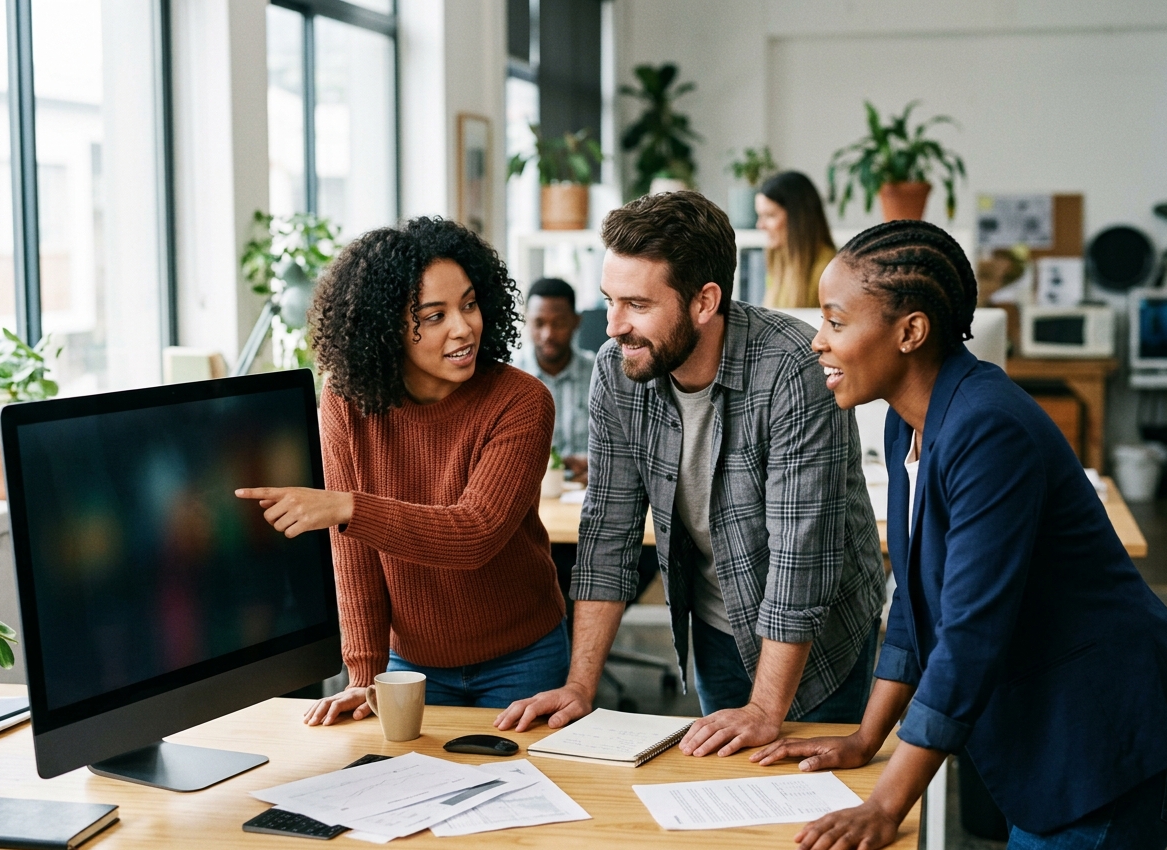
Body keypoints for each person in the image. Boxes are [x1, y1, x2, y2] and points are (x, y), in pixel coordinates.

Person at [760, 220, 1167, 850]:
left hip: (1104, 733)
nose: (819, 340)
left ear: (910, 332)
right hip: (1058, 727)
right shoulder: (908, 422)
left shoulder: (988, 427)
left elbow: (969, 637)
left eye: (835, 320)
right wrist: (867, 738)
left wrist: (887, 803)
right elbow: (917, 602)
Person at [496, 191, 886, 758]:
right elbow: (609, 535)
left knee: (801, 818)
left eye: (636, 304)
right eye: (608, 301)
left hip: (817, 643)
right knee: (723, 808)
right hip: (715, 627)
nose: (612, 327)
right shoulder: (619, 370)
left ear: (705, 302)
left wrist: (764, 708)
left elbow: (801, 561)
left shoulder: (793, 369)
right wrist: (581, 685)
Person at [236, 217, 568, 717]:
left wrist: (346, 506)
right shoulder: (346, 403)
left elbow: (475, 533)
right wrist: (365, 675)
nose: (463, 327)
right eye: (434, 316)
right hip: (410, 664)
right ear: (385, 328)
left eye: (470, 303)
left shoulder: (521, 401)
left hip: (522, 657)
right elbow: (356, 556)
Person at [512, 277, 596, 481]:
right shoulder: (508, 378)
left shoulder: (601, 375)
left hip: (591, 493)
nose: (548, 334)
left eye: (559, 323)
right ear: (526, 321)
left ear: (576, 321)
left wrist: (596, 466)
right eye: (539, 323)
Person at [756, 170, 836, 309]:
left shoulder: (829, 270)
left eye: (770, 215)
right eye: (760, 216)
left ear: (798, 219)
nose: (760, 225)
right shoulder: (777, 261)